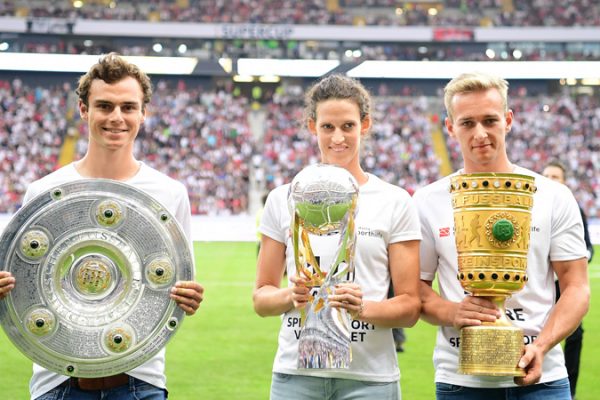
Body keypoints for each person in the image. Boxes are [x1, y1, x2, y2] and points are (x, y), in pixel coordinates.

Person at [0, 53, 204, 400]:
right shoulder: (43, 191)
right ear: (84, 110)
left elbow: (176, 285)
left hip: (141, 383)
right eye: (104, 106)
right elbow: (25, 284)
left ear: (144, 113)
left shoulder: (170, 194)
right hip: (56, 384)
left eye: (128, 107)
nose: (116, 118)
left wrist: (189, 297)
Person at [414, 71, 590, 399]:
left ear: (508, 120)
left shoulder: (553, 195)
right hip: (461, 381)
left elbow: (577, 287)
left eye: (489, 120)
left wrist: (541, 346)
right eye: (467, 123)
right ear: (450, 127)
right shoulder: (427, 201)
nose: (480, 133)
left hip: (543, 379)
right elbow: (417, 290)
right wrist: (453, 312)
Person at [253, 74, 421, 400]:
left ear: (365, 125)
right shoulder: (281, 198)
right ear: (312, 127)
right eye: (328, 127)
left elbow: (410, 307)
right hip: (295, 377)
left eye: (348, 126)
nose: (338, 137)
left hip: (370, 379)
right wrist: (292, 295)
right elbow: (261, 299)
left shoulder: (395, 200)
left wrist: (363, 308)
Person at [543, 159, 594, 399]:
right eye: (547, 176)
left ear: (564, 183)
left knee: (575, 334)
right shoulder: (533, 210)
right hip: (540, 289)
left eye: (555, 177)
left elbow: (586, 247)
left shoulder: (573, 208)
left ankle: (569, 390)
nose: (550, 181)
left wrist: (580, 259)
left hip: (565, 286)